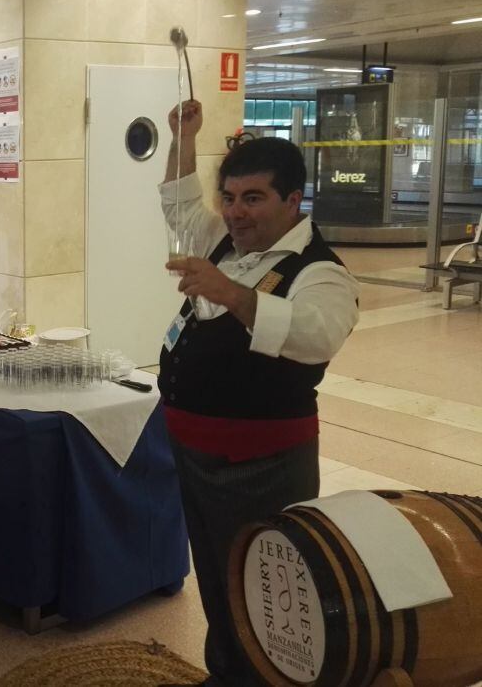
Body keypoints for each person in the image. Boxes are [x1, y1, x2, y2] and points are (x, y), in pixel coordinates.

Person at [158, 99, 359, 687]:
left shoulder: (321, 270)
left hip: (261, 464)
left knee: (266, 588)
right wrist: (182, 137)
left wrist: (232, 295)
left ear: (293, 201)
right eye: (230, 197)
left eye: (253, 198)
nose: (235, 212)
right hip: (194, 453)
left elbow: (316, 336)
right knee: (217, 579)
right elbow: (176, 197)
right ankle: (226, 674)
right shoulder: (224, 240)